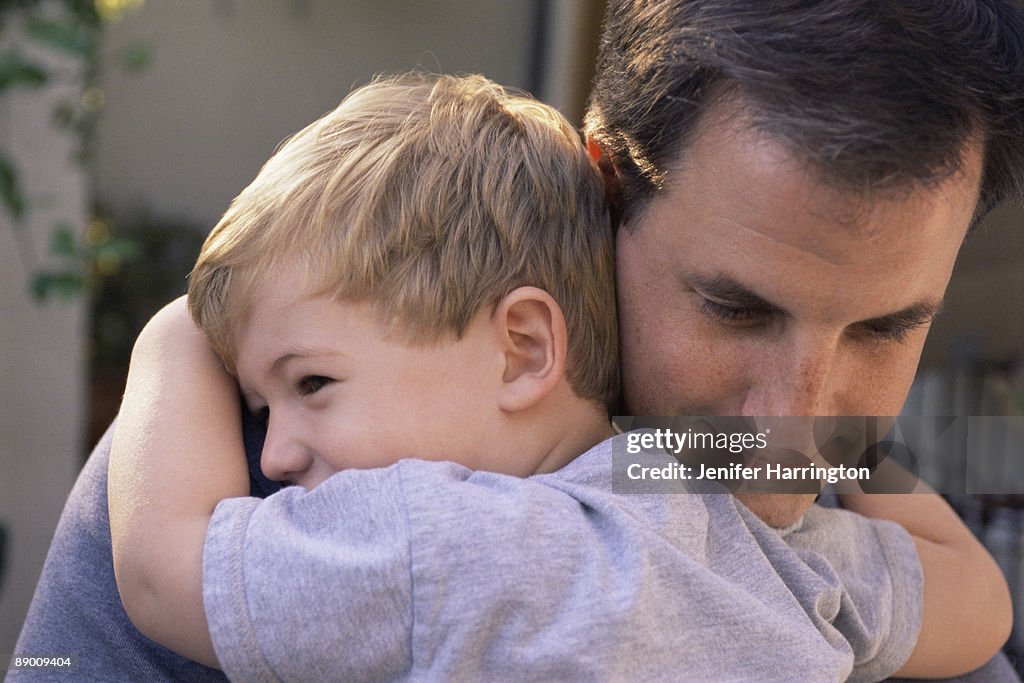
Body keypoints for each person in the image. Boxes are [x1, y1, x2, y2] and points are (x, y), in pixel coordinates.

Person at [12, 0, 1024, 679]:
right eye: (736, 308)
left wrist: (177, 328)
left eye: (883, 329)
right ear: (602, 184)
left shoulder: (405, 537)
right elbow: (977, 598)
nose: (789, 435)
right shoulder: (249, 458)